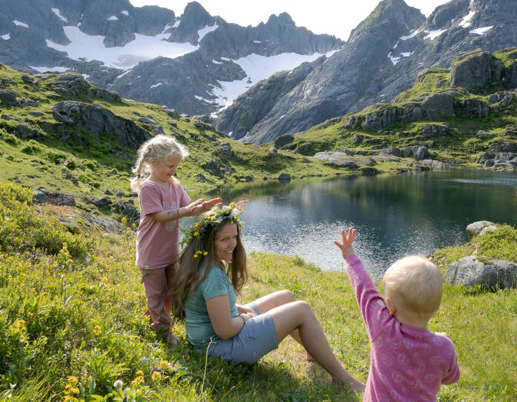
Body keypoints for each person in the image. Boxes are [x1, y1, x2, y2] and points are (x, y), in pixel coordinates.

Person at [171, 203, 365, 393]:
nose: (233, 244)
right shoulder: (212, 276)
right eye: (224, 239)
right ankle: (342, 379)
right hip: (221, 350)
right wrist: (246, 318)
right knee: (302, 310)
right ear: (208, 241)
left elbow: (211, 305)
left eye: (234, 237)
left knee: (286, 297)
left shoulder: (206, 262)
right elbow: (225, 330)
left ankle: (313, 350)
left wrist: (239, 309)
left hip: (213, 343)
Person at [332, 228, 459, 401]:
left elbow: (365, 289)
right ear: (436, 308)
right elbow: (451, 378)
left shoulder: (382, 327)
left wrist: (350, 255)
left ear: (389, 305)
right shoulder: (444, 347)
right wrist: (442, 341)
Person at [130, 134, 221, 344]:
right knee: (157, 293)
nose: (173, 171)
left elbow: (185, 210)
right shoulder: (149, 188)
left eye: (176, 167)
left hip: (169, 252)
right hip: (151, 253)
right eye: (169, 166)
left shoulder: (174, 184)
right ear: (152, 163)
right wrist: (185, 210)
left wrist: (201, 209)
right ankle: (163, 332)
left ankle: (155, 317)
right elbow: (160, 216)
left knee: (173, 290)